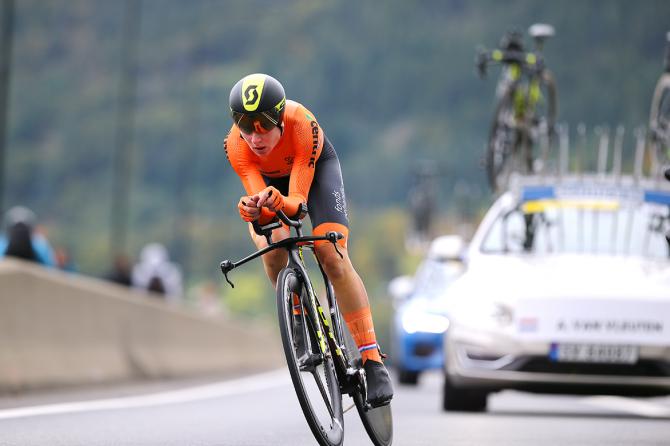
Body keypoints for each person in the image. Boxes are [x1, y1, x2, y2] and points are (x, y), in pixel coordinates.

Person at [224, 73, 393, 406]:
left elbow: (298, 205)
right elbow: (263, 207)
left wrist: (280, 201)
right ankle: (297, 313)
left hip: (314, 176)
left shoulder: (302, 124)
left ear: (280, 119)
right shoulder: (235, 145)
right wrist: (251, 209)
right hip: (272, 185)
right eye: (246, 125)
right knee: (273, 248)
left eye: (263, 125)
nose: (255, 136)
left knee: (331, 255)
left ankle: (372, 360)